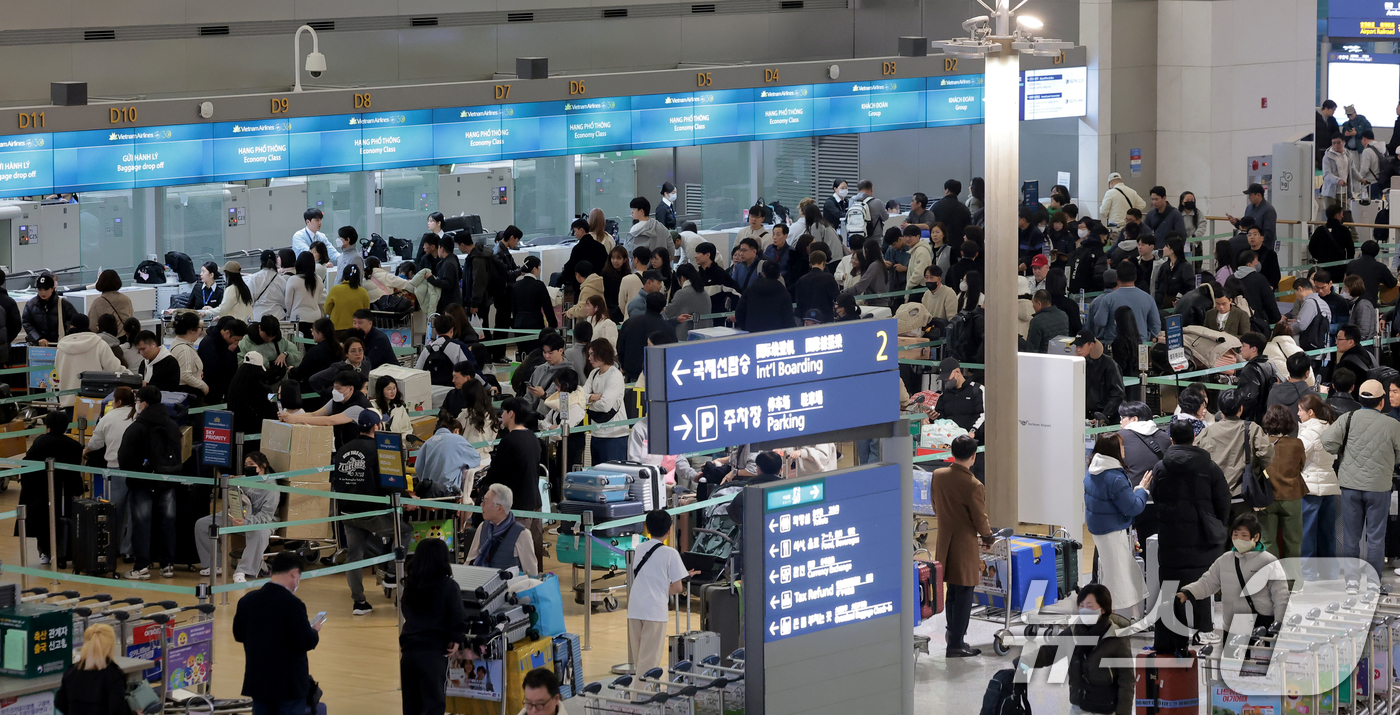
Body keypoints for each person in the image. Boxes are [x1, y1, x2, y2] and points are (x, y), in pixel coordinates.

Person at [1150, 418, 1230, 646]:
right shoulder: (1210, 467)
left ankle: (1173, 634)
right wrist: (1215, 523)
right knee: (1202, 583)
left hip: (1170, 537)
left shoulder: (1161, 467)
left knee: (1170, 585)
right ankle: (1203, 629)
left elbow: (1156, 498)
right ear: (1194, 437)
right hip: (1202, 537)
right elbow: (1223, 501)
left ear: (1171, 439)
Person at [1321, 379, 1400, 588]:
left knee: (1351, 537)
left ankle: (1352, 582)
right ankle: (1374, 582)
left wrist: (1342, 452)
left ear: (1360, 399)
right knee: (1376, 537)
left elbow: (1327, 442)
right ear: (1382, 402)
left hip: (1350, 486)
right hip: (1379, 487)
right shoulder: (1393, 425)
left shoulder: (1347, 418)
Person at [331, 410, 410, 614]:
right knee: (405, 531)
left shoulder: (343, 449)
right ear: (377, 427)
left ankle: (359, 602)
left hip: (347, 512)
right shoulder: (380, 449)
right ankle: (392, 573)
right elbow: (391, 482)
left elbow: (335, 481)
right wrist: (409, 498)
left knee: (354, 554)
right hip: (372, 512)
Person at [233, 551, 322, 715]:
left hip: (258, 681)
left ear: (272, 572)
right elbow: (306, 641)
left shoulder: (247, 601)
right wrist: (314, 631)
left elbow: (238, 634)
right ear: (295, 573)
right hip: (289, 684)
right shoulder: (293, 604)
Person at [1178, 512, 1290, 641]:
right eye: (1235, 535)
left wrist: (1280, 625)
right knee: (1231, 660)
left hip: (1260, 625)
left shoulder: (1269, 562)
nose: (1238, 539)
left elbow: (1281, 596)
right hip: (1232, 625)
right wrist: (1188, 592)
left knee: (1256, 661)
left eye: (1244, 535)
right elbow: (1208, 582)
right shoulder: (1225, 560)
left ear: (1256, 537)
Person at [931, 435, 993, 657]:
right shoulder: (973, 484)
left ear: (952, 452)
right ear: (974, 456)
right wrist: (987, 537)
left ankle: (952, 635)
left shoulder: (938, 475)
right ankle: (956, 643)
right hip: (965, 543)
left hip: (944, 539)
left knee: (952, 591)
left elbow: (935, 505)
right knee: (965, 590)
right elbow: (979, 518)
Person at [118, 386, 183, 580]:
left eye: (138, 401)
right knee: (168, 523)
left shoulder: (137, 427)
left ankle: (142, 566)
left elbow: (124, 459)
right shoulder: (172, 424)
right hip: (168, 480)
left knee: (141, 524)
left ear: (144, 404)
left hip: (142, 482)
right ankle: (167, 565)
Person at [1085, 433, 1151, 617]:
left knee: (1111, 573)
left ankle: (1120, 615)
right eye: (1122, 447)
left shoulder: (1093, 469)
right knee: (1119, 578)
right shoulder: (1114, 477)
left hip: (1100, 530)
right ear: (1114, 451)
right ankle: (1117, 618)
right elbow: (1134, 507)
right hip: (1113, 531)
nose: (1124, 450)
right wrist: (1142, 490)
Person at [400, 537, 467, 715]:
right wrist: (456, 638)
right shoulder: (449, 586)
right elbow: (457, 616)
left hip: (409, 651)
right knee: (433, 704)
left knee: (411, 704)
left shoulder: (410, 585)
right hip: (434, 652)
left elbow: (406, 611)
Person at [477, 398, 545, 563]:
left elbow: (497, 473)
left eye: (503, 412)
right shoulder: (532, 438)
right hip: (535, 500)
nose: (502, 416)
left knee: (518, 553)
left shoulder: (509, 441)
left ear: (511, 414)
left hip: (518, 504)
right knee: (535, 552)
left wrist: (484, 488)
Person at [627, 509, 694, 674]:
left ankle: (641, 695)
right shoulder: (671, 553)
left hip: (635, 608)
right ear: (669, 530)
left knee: (640, 662)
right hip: (655, 611)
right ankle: (640, 698)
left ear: (647, 529)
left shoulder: (639, 549)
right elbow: (677, 587)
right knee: (648, 666)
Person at [196, 451, 278, 583]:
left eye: (251, 464)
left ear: (262, 466)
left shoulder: (272, 488)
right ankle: (215, 564)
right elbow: (233, 500)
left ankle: (243, 570)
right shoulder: (243, 479)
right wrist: (231, 484)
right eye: (246, 464)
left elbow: (265, 516)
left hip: (259, 520)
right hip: (237, 515)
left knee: (259, 532)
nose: (247, 467)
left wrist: (246, 522)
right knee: (203, 524)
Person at [19, 411, 82, 567]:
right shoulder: (74, 445)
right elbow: (75, 472)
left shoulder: (40, 442)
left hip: (41, 491)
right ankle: (65, 552)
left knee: (43, 523)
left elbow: (28, 464)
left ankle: (45, 553)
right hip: (65, 492)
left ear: (47, 426)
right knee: (65, 520)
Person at [1064, 584, 1134, 715]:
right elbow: (1049, 650)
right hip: (1079, 706)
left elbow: (1126, 680)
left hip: (1105, 708)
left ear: (1102, 609)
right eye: (1081, 605)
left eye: (1089, 606)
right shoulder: (1074, 632)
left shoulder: (1117, 637)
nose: (1084, 610)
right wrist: (1025, 661)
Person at [1196, 388, 1275, 504]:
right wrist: (1256, 468)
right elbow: (1267, 454)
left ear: (1221, 410)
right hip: (1244, 492)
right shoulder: (1251, 429)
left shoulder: (1207, 432)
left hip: (1215, 494)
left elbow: (1195, 457)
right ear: (1241, 408)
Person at [1297, 395, 1341, 579]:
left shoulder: (1309, 431)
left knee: (1307, 533)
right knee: (1327, 533)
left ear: (1310, 412)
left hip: (1310, 487)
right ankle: (1329, 572)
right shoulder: (1330, 428)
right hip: (1330, 484)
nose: (1298, 413)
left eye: (1300, 410)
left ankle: (1307, 573)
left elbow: (1299, 457)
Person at [1257, 404, 1305, 573]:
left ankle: (1272, 579)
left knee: (1268, 541)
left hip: (1267, 497)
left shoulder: (1261, 443)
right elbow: (1301, 466)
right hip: (1291, 496)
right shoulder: (1297, 444)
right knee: (1293, 541)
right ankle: (1293, 582)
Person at [285, 368, 374, 449]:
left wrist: (295, 419)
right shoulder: (337, 400)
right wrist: (290, 417)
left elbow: (329, 421)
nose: (335, 391)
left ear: (351, 389)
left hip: (361, 448)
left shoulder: (358, 406)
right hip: (343, 446)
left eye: (339, 388)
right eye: (334, 388)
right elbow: (314, 414)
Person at [54, 622, 128, 715]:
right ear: (110, 646)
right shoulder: (113, 676)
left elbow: (60, 703)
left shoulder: (71, 672)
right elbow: (118, 710)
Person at [466, 483, 539, 573]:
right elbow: (470, 560)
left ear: (499, 508)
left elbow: (531, 571)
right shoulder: (482, 527)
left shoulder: (521, 533)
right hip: (483, 582)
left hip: (510, 585)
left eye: (485, 501)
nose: (481, 504)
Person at [582, 339, 628, 463]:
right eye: (589, 354)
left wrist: (587, 401)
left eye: (592, 354)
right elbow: (580, 396)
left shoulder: (615, 375)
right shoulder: (594, 373)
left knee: (613, 477)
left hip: (615, 435)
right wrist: (591, 397)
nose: (589, 358)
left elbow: (604, 406)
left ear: (602, 354)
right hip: (596, 432)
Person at [1089, 262, 1160, 342]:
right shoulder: (1148, 298)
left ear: (1117, 278)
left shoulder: (1108, 299)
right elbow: (1155, 325)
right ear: (1135, 278)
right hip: (1140, 344)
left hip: (1114, 344)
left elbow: (1100, 322)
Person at [415, 415, 481, 499]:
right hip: (448, 493)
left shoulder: (429, 441)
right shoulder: (457, 439)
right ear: (457, 431)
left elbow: (418, 467)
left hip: (427, 492)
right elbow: (476, 459)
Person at [1072, 330, 1125, 424]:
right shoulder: (1079, 364)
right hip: (1087, 417)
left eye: (1081, 346)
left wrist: (1105, 415)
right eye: (1077, 346)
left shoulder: (1109, 364)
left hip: (1106, 418)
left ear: (1091, 345)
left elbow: (1117, 393)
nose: (1078, 349)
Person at [734, 261, 795, 333]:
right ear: (779, 275)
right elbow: (788, 319)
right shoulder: (784, 294)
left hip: (753, 333)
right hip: (775, 335)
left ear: (763, 274)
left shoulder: (750, 290)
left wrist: (746, 327)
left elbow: (739, 312)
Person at [197, 316, 247, 404]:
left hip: (226, 390)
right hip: (210, 391)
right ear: (227, 333)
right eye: (235, 340)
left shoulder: (229, 343)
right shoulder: (208, 343)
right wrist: (229, 353)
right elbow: (213, 370)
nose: (236, 343)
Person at [512, 256, 557, 350]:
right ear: (534, 269)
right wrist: (553, 324)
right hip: (535, 323)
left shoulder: (516, 285)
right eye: (539, 267)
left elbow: (514, 308)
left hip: (519, 323)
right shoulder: (539, 285)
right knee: (535, 353)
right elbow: (547, 306)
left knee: (522, 353)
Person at [22, 274, 78, 345]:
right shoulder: (31, 304)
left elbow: (75, 321)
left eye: (46, 289)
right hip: (38, 345)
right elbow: (27, 323)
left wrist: (68, 337)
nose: (43, 292)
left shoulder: (63, 304)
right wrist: (38, 338)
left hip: (60, 344)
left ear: (52, 288)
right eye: (40, 289)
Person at [562, 218, 609, 298]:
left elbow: (571, 267)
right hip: (598, 285)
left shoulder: (578, 248)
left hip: (581, 286)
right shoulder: (600, 247)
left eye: (575, 231)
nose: (574, 234)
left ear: (581, 230)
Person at [664, 263, 711, 340]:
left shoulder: (681, 294)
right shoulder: (704, 293)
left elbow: (668, 313)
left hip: (686, 337)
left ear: (682, 278)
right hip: (705, 335)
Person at [285, 252, 324, 331]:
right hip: (315, 317)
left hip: (298, 318)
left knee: (298, 342)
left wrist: (289, 314)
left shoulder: (293, 279)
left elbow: (288, 302)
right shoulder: (318, 279)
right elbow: (319, 299)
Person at [248, 250, 288, 321]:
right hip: (278, 317)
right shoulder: (281, 280)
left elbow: (249, 299)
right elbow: (286, 302)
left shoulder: (253, 278)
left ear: (261, 261)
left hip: (258, 317)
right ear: (275, 261)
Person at [932, 179, 973, 248]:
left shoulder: (937, 206)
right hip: (958, 246)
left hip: (940, 245)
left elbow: (932, 224)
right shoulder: (964, 209)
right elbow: (968, 228)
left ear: (947, 190)